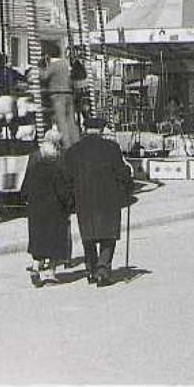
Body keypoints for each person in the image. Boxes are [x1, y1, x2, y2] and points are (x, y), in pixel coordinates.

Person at [63, 117, 132, 287]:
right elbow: (122, 173)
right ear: (101, 130)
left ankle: (91, 269)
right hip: (108, 199)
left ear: (85, 130)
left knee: (89, 235)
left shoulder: (73, 151)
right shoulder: (112, 148)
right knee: (108, 235)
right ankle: (103, 269)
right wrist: (128, 184)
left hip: (84, 199)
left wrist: (70, 200)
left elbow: (66, 178)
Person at [22, 128, 72, 287]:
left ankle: (36, 267)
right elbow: (63, 189)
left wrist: (26, 199)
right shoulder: (59, 164)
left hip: (36, 208)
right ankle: (51, 272)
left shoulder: (35, 160)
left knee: (38, 238)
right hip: (55, 208)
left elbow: (26, 185)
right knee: (55, 240)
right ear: (57, 145)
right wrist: (70, 204)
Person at [41, 43, 80, 148]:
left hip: (58, 95)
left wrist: (39, 70)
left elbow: (44, 76)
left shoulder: (54, 65)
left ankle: (67, 146)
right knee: (71, 121)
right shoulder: (65, 64)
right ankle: (76, 143)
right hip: (68, 93)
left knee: (61, 122)